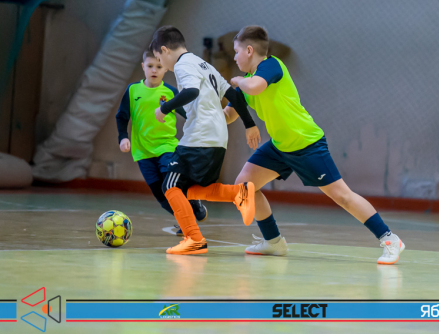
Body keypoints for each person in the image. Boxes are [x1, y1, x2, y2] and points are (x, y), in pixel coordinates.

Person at [223, 25, 405, 265]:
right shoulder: (245, 83)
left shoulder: (270, 66)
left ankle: (390, 239)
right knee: (244, 185)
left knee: (342, 196)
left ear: (249, 51)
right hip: (280, 147)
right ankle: (273, 241)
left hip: (307, 143)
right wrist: (203, 109)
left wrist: (236, 81)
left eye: (236, 52)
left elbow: (255, 86)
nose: (234, 58)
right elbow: (229, 115)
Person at [151, 25, 259, 255]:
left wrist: (164, 109)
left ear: (165, 50)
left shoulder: (183, 65)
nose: (163, 66)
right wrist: (249, 124)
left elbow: (191, 92)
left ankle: (194, 239)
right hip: (217, 139)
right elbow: (233, 96)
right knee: (193, 189)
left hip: (199, 138)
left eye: (159, 59)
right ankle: (238, 193)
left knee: (170, 186)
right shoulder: (203, 64)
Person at [116, 47, 207, 236]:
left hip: (167, 147)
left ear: (166, 68)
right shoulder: (133, 90)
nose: (154, 70)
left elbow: (189, 114)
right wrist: (123, 137)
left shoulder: (170, 92)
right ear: (143, 66)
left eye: (159, 66)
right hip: (143, 152)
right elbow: (122, 116)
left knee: (170, 185)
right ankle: (185, 217)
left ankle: (193, 202)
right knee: (161, 196)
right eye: (150, 66)